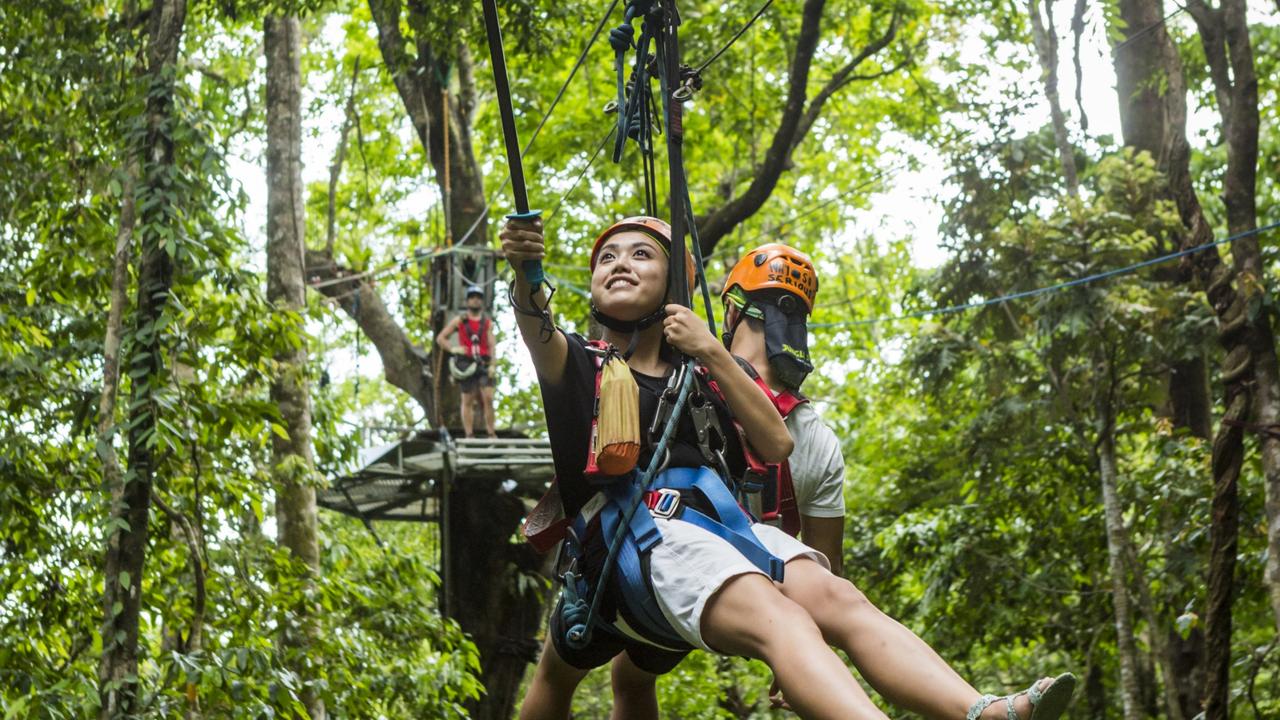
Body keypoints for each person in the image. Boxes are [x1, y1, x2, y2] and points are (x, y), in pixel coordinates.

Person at [502, 218, 1075, 720]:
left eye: (641, 254)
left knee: (836, 598)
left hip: (720, 534)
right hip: (638, 540)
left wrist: (710, 350)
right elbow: (537, 328)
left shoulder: (702, 371)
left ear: (674, 287)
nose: (620, 263)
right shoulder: (578, 361)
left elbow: (775, 444)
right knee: (778, 619)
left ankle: (979, 711)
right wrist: (528, 273)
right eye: (607, 257)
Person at [438, 285, 497, 438]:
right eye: (472, 297)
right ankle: (469, 434)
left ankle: (491, 432)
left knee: (488, 397)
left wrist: (493, 365)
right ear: (467, 300)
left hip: (483, 362)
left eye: (478, 297)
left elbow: (492, 345)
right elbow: (441, 338)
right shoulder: (460, 320)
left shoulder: (487, 323)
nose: (475, 300)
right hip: (466, 363)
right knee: (467, 399)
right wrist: (453, 349)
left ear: (482, 302)